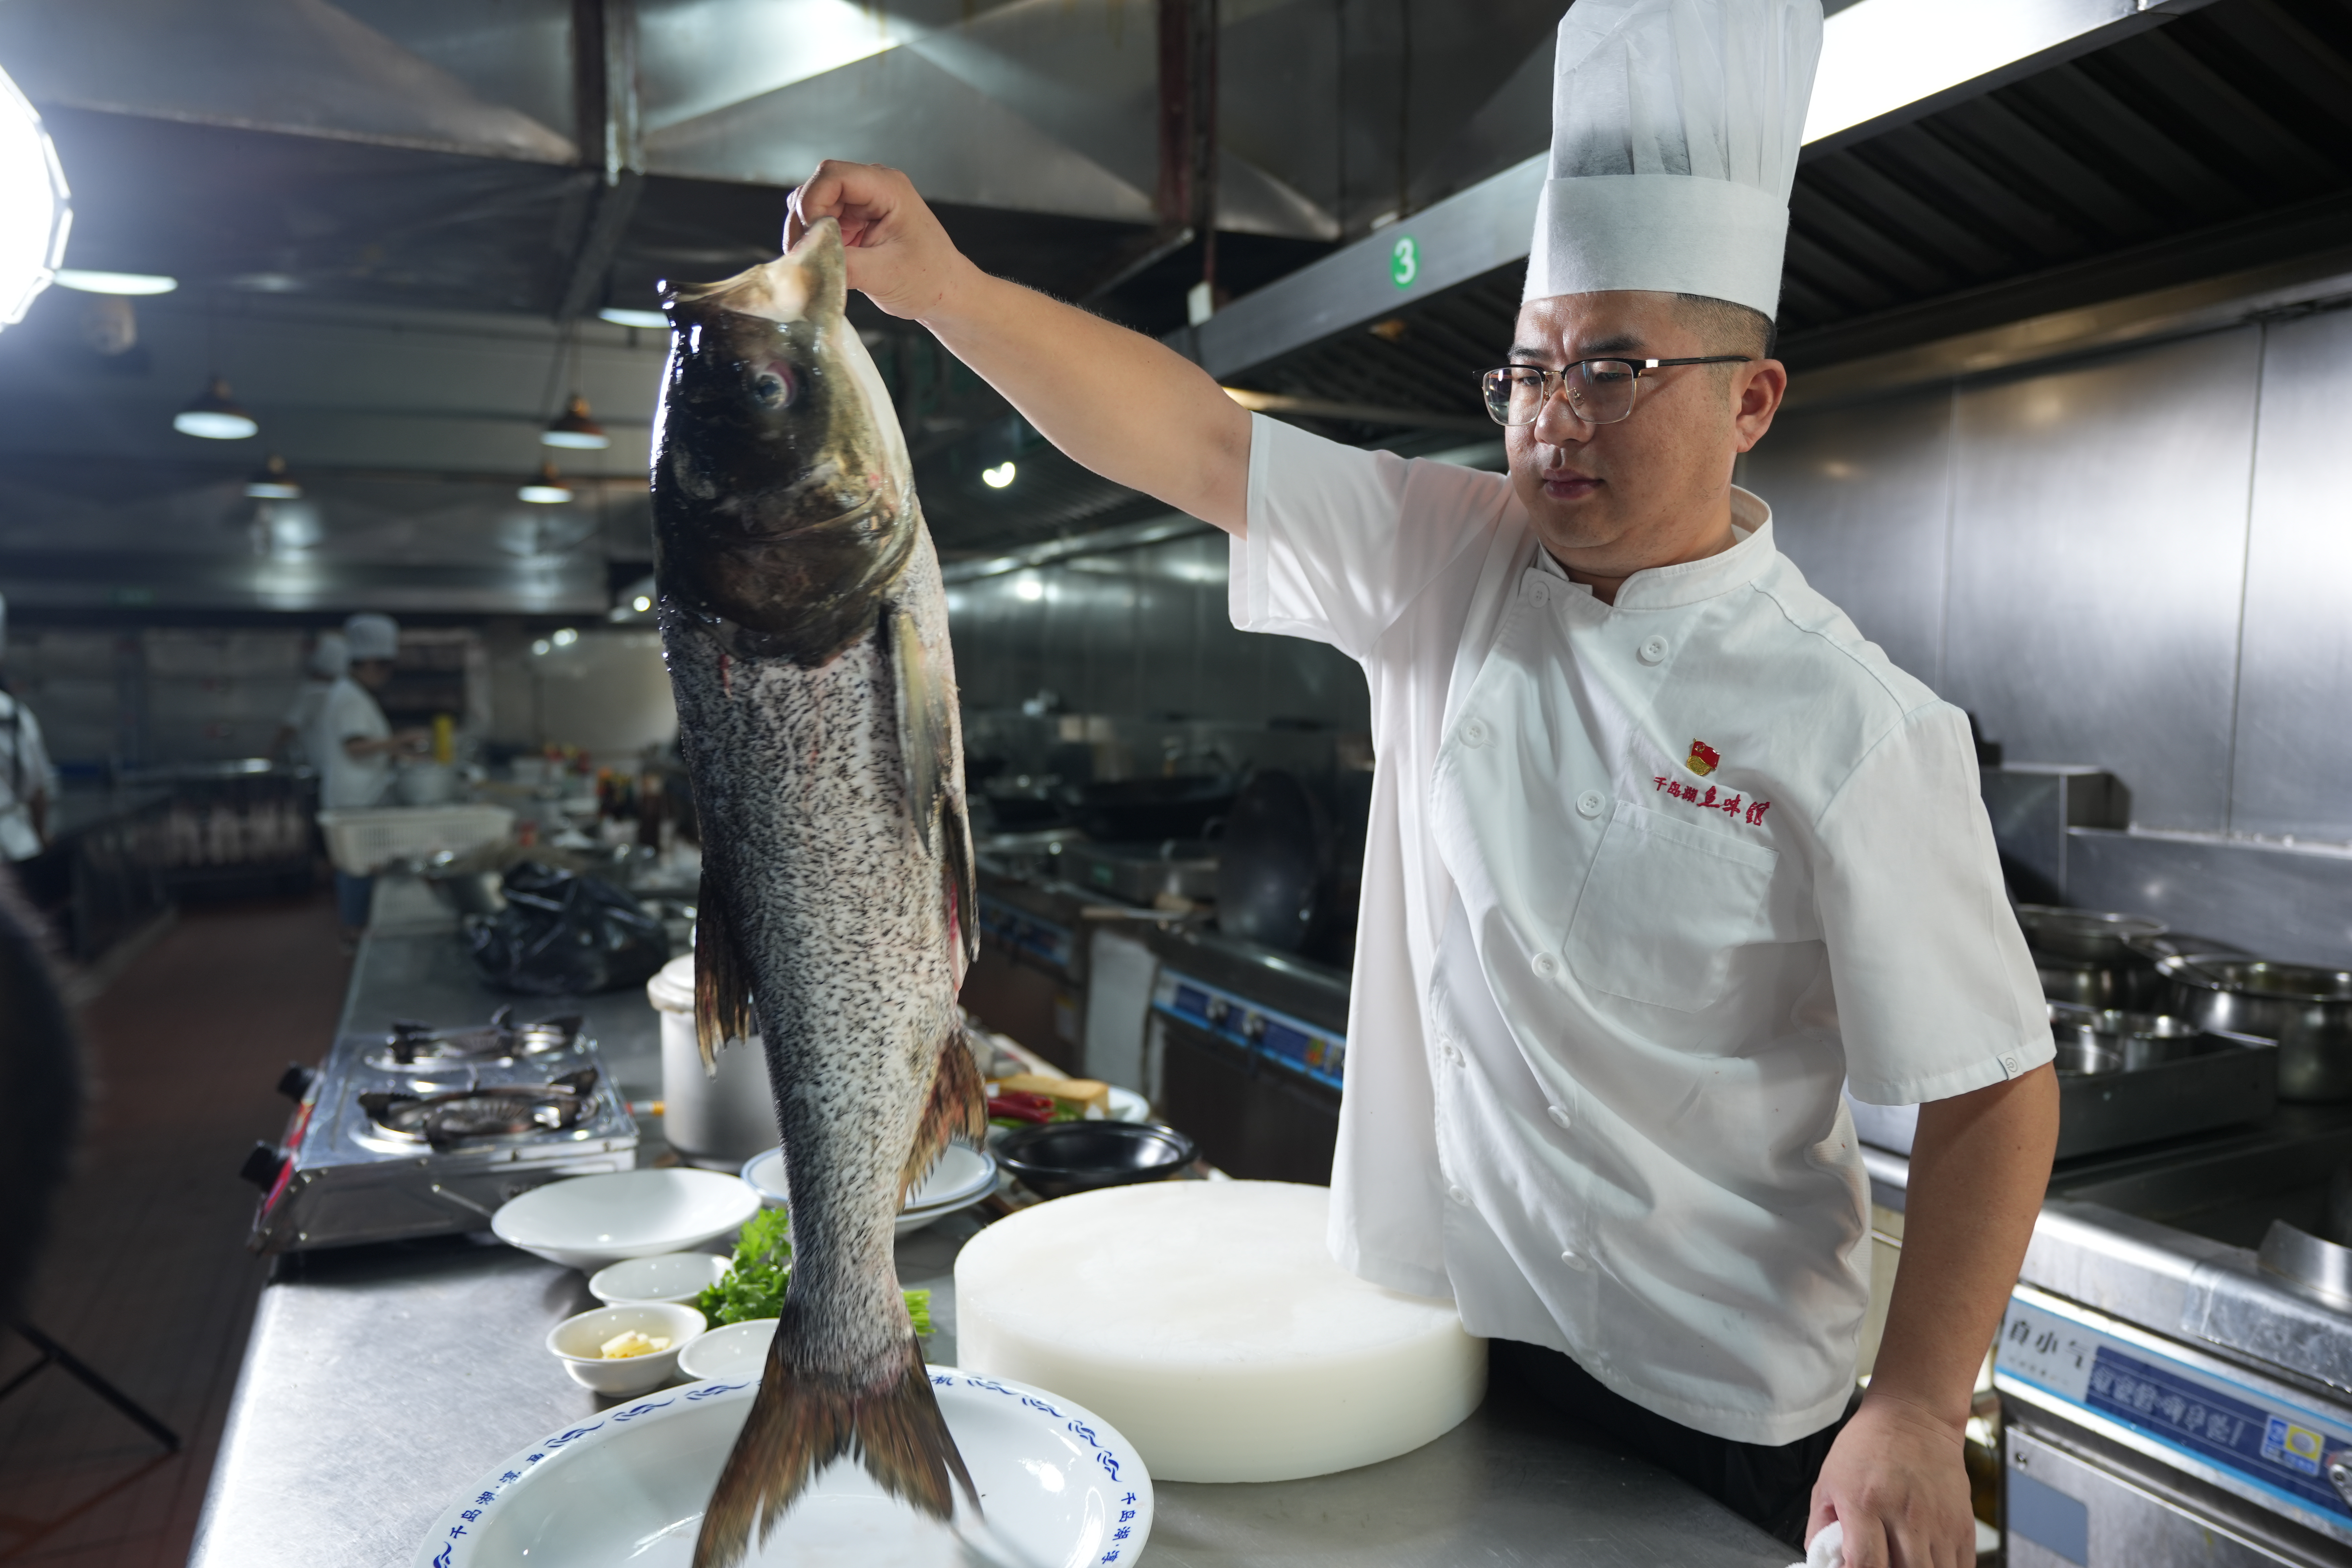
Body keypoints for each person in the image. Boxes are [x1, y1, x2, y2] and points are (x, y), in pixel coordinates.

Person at [780, 1, 2058, 1561]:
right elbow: (1190, 440)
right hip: (1450, 1319)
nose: (1553, 421)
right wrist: (947, 289)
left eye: (1613, 368)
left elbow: (1992, 1086)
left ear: (1750, 399)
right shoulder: (1444, 556)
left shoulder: (1858, 723)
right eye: (1525, 373)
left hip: (1722, 1392)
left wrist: (1919, 1403)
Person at [320, 613, 422, 934]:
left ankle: (357, 929)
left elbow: (365, 744)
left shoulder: (351, 693)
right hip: (354, 798)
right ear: (369, 663)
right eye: (384, 667)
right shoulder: (349, 697)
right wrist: (401, 741)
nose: (386, 675)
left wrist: (399, 752)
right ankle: (354, 932)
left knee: (360, 865)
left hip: (359, 794)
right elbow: (355, 746)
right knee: (356, 867)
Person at [0, 592, 56, 863]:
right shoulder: (15, 716)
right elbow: (38, 790)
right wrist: (42, 834)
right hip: (19, 847)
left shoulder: (14, 718)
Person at [274, 630, 348, 771]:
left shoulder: (313, 692)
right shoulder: (344, 692)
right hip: (337, 765)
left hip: (318, 764)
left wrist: (269, 753)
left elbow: (289, 727)